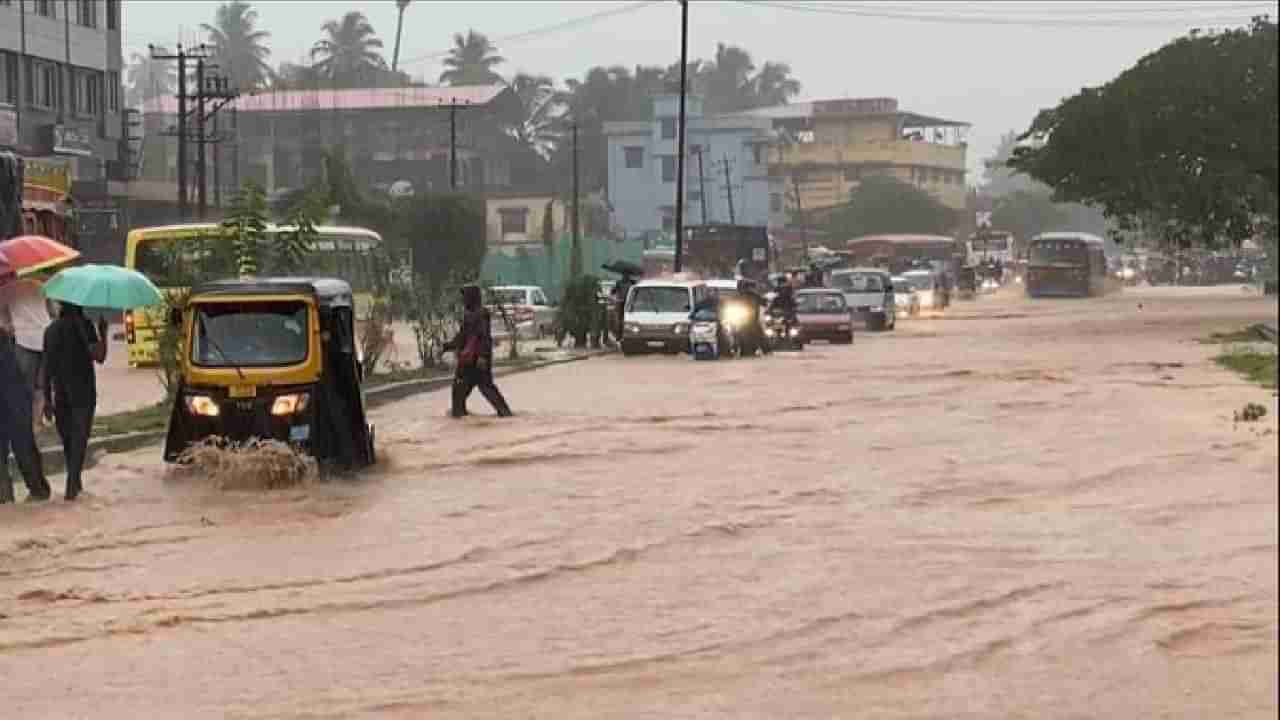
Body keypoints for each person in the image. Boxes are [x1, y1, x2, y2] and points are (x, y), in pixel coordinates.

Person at [38, 301, 107, 501]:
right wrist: (103, 333)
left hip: (60, 394)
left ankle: (74, 485)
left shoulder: (50, 330)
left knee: (70, 443)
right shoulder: (85, 326)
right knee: (79, 440)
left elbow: (47, 368)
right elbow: (99, 356)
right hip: (83, 393)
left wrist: (47, 400)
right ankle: (72, 487)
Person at [1, 302, 53, 503]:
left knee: (22, 448)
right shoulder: (7, 340)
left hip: (13, 403)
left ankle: (10, 498)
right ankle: (36, 492)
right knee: (24, 447)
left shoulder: (6, 340)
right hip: (16, 403)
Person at [443, 284, 513, 419]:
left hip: (478, 361)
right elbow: (463, 336)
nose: (463, 300)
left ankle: (505, 414)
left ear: (472, 298)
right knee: (460, 390)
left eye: (465, 297)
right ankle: (459, 415)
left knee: (485, 388)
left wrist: (482, 356)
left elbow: (484, 336)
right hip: (468, 361)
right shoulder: (469, 314)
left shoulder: (481, 313)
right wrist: (449, 346)